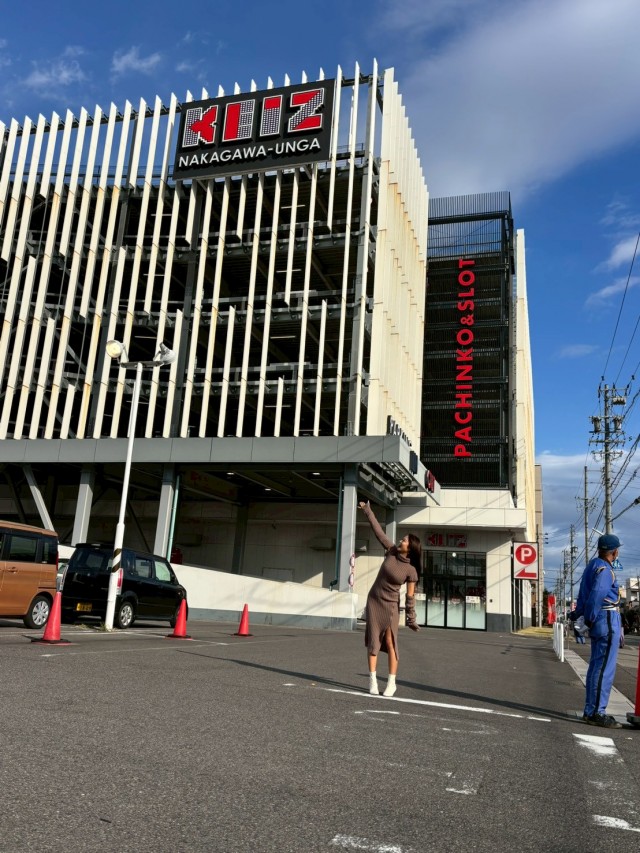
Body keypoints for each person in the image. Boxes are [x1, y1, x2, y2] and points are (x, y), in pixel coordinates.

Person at [358, 500, 421, 697]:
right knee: (373, 642)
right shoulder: (391, 551)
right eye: (402, 539)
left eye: (405, 541)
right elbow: (378, 532)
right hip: (374, 601)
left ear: (410, 548)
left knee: (390, 641)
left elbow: (410, 598)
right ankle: (373, 681)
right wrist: (368, 511)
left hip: (391, 606)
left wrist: (411, 619)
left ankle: (391, 683)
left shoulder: (411, 570)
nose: (401, 541)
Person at [569, 533, 623, 728]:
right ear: (614, 552)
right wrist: (590, 618)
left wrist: (580, 615)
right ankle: (597, 713)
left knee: (595, 667)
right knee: (604, 669)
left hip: (599, 621)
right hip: (606, 619)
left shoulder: (592, 566)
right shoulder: (605, 570)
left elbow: (584, 596)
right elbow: (598, 595)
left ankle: (590, 710)